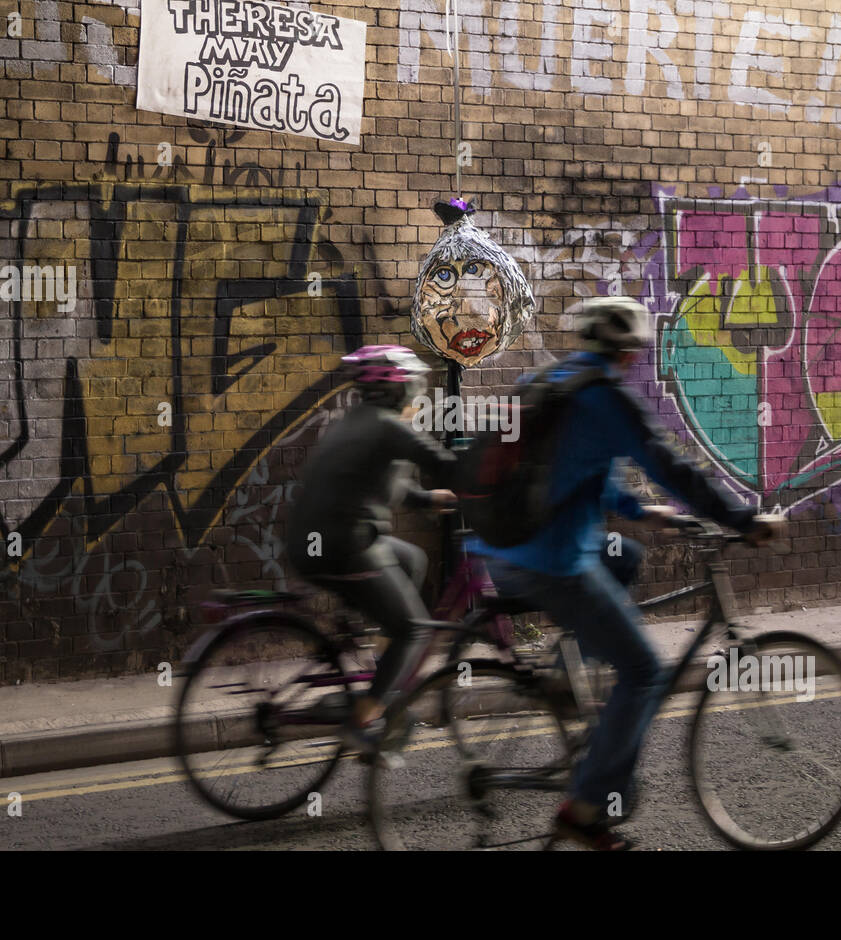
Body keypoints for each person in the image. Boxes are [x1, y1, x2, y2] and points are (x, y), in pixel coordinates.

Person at [472, 297, 787, 850]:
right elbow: (675, 470)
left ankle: (574, 676)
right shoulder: (608, 397)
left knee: (626, 557)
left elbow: (575, 471)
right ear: (626, 352)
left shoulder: (550, 382)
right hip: (551, 562)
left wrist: (647, 512)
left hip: (501, 550)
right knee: (644, 670)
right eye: (635, 355)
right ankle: (585, 809)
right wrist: (742, 520)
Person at [286, 345, 457, 754]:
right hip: (343, 547)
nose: (418, 394)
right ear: (400, 389)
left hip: (320, 542)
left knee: (413, 559)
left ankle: (384, 662)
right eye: (415, 386)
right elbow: (450, 464)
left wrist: (429, 499)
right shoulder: (388, 428)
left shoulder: (358, 422)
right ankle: (365, 721)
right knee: (413, 628)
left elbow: (387, 486)